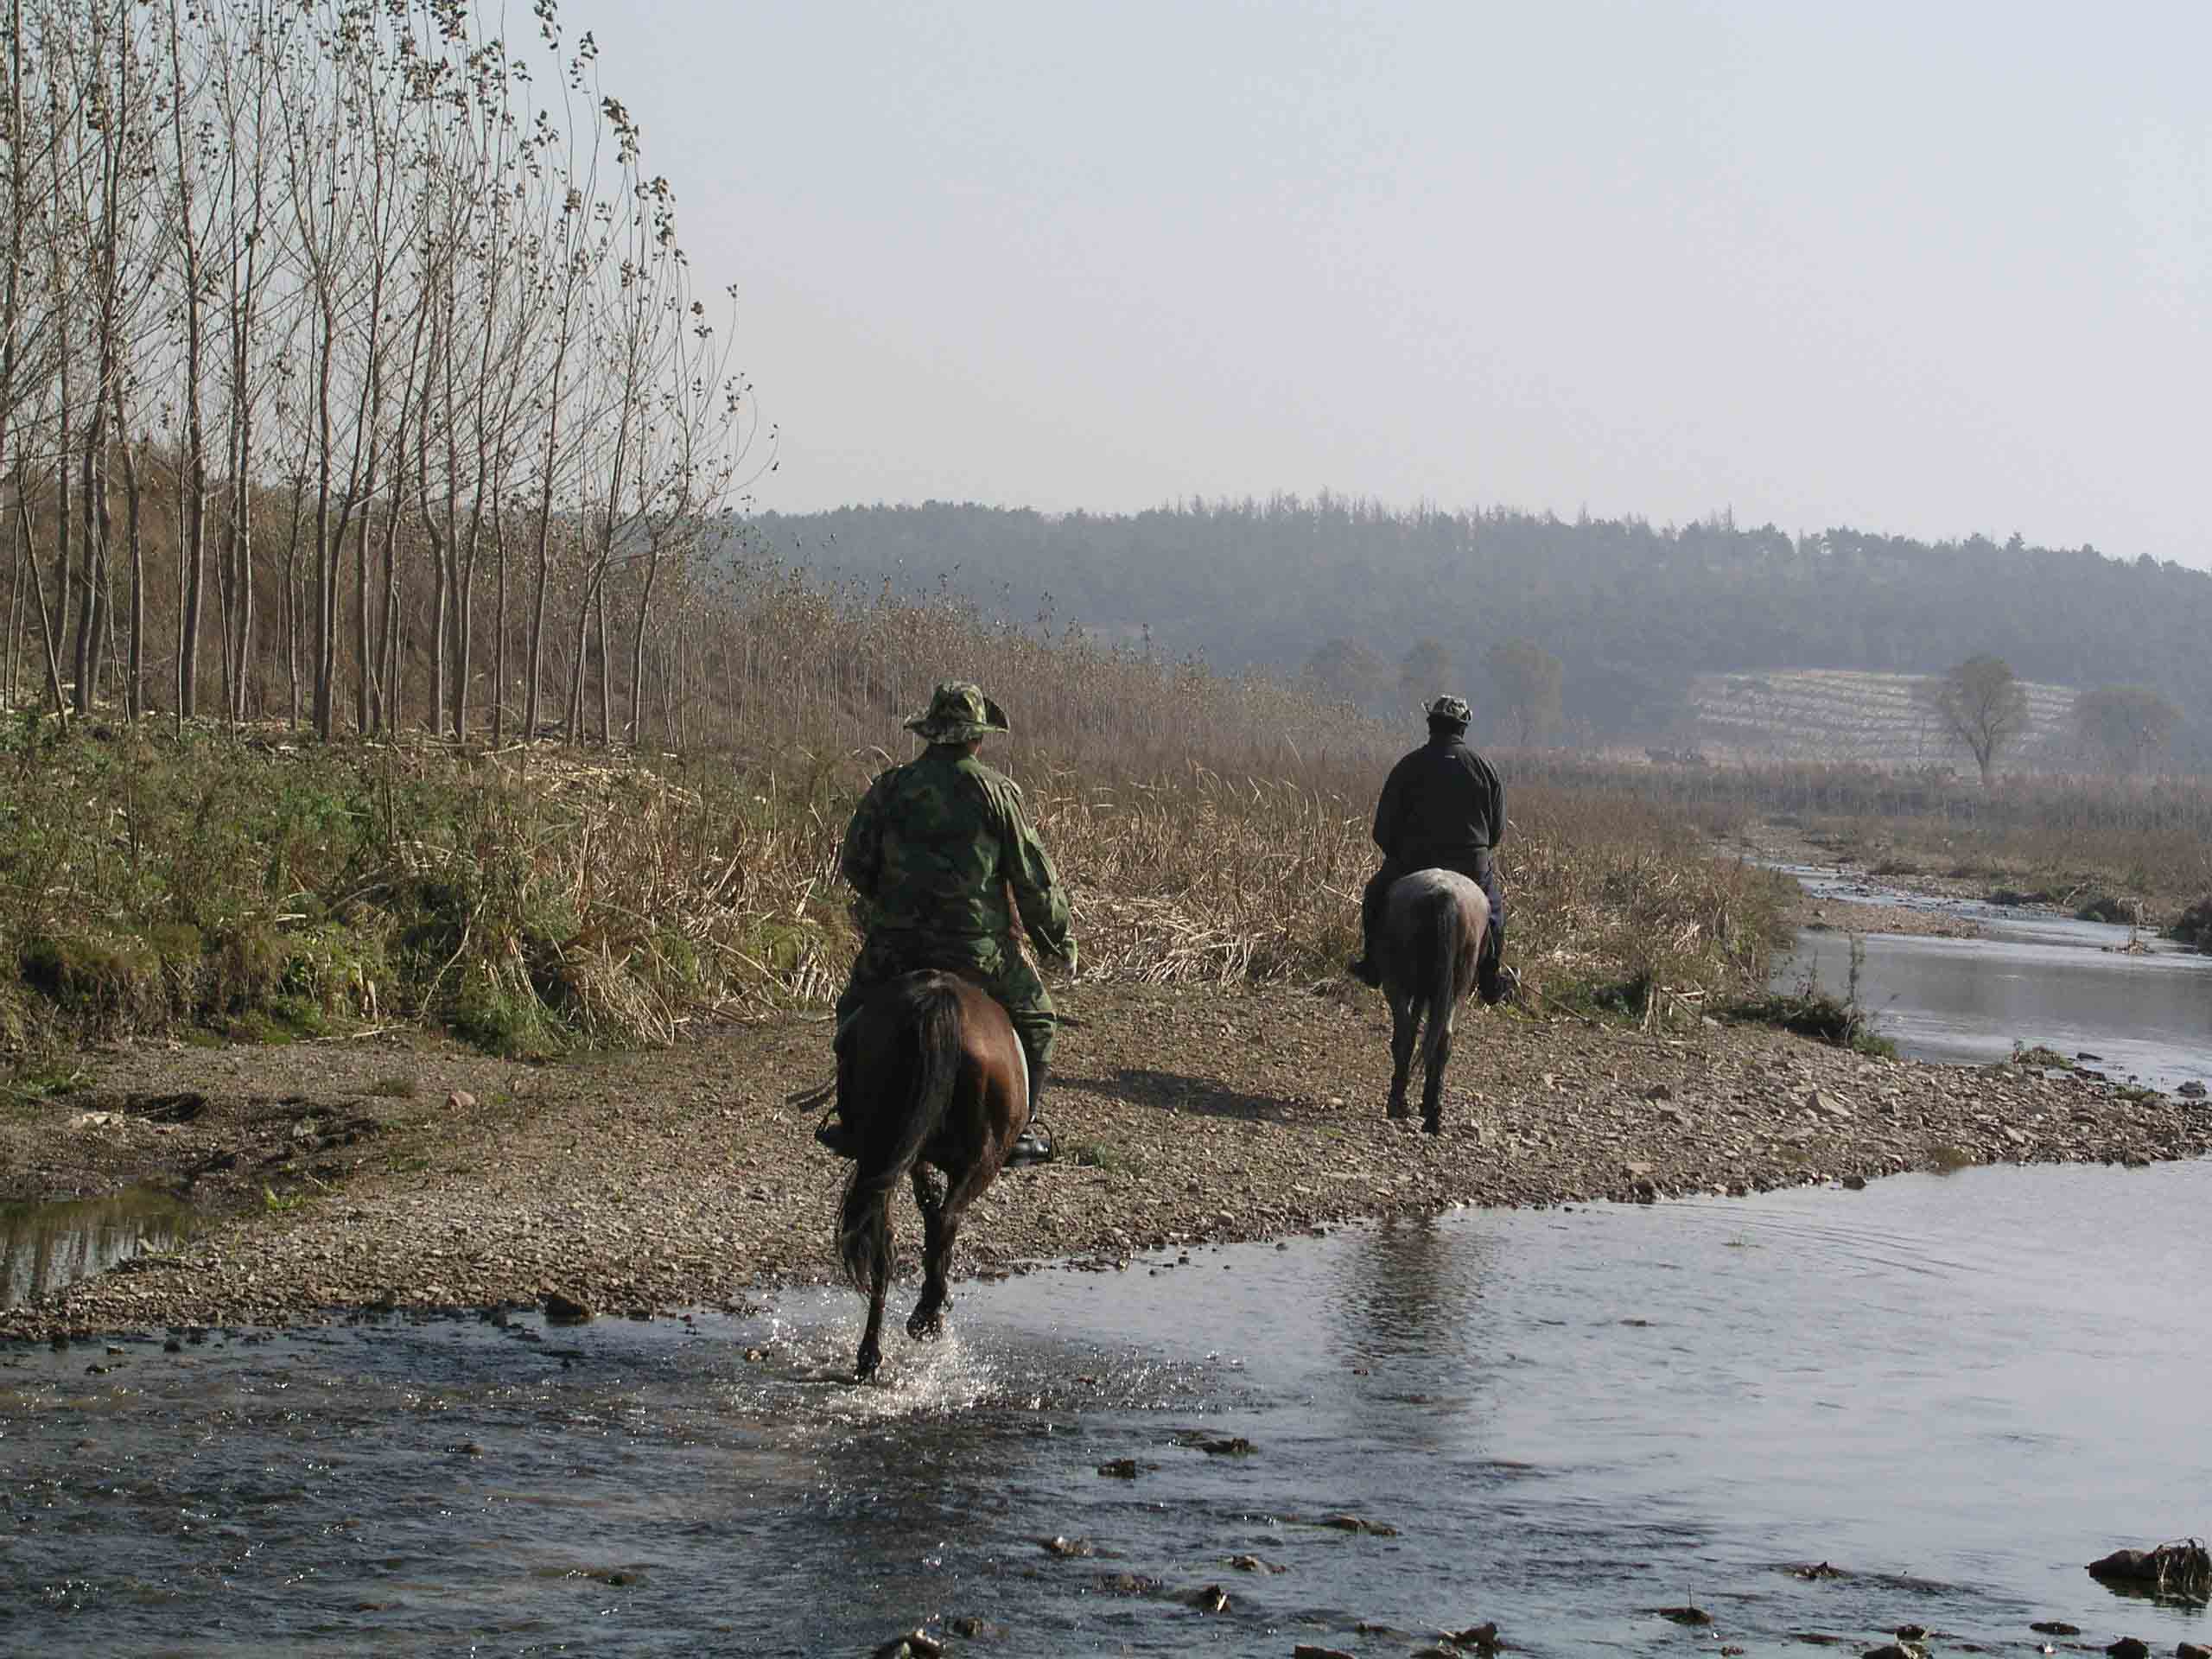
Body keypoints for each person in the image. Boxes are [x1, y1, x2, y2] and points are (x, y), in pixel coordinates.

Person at [817, 681, 1076, 1166]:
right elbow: (1032, 878)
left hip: (897, 949)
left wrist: (887, 902)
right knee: (1039, 1022)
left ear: (931, 735)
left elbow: (855, 863)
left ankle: (851, 1118)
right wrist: (1056, 938)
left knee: (852, 1011)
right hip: (980, 953)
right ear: (977, 738)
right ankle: (1020, 1128)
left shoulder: (890, 787)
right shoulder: (998, 791)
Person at [1346, 694, 1516, 1004]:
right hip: (1471, 865)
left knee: (1374, 894)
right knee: (1494, 914)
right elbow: (1496, 832)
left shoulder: (1408, 766)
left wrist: (1399, 855)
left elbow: (1382, 829)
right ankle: (1490, 979)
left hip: (1413, 863)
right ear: (1463, 728)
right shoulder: (1485, 769)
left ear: (1430, 725)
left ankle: (1371, 964)